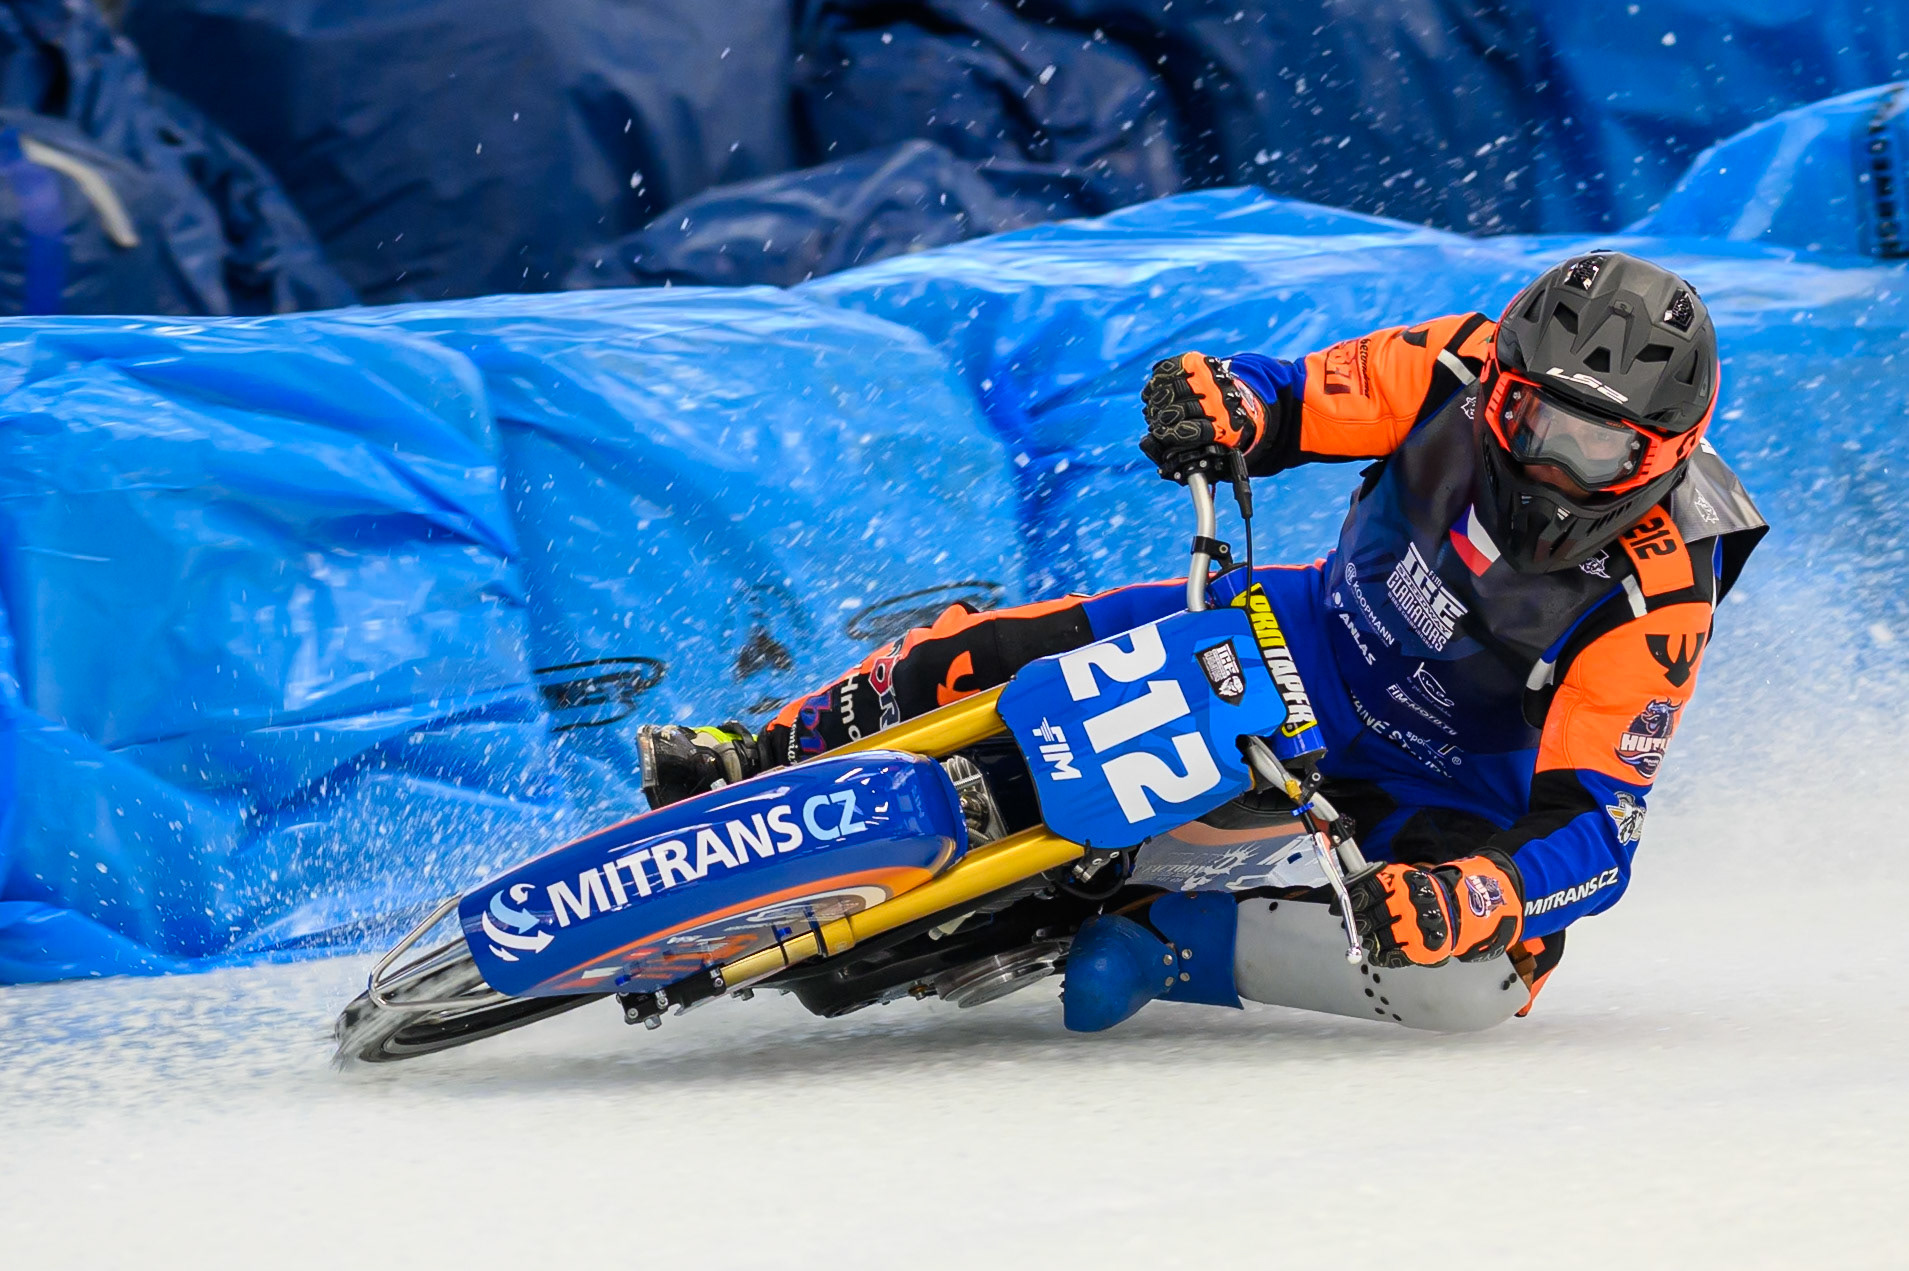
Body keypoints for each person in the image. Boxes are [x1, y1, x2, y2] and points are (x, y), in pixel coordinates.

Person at [637, 251, 1766, 1033]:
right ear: (1504, 386)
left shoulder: (1664, 587)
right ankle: (765, 749)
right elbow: (1297, 395)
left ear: (1667, 454)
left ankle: (1163, 936)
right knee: (975, 653)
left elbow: (1597, 829)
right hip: (1305, 635)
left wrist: (1482, 892)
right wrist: (1220, 400)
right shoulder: (1456, 362)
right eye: (1536, 424)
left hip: (1449, 781)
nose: (1557, 466)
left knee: (1481, 986)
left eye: (1602, 451)